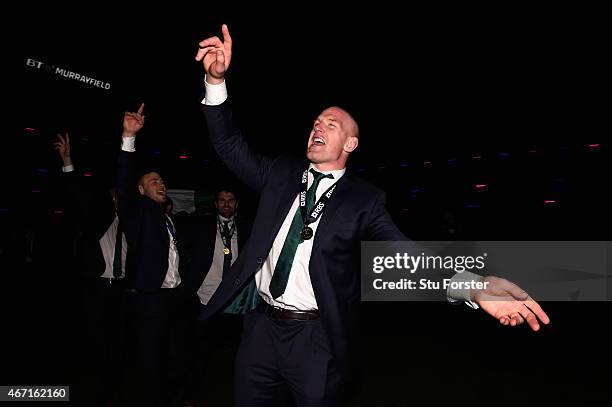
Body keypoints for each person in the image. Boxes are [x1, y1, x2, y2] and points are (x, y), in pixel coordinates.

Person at [195, 24, 550, 406]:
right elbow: (228, 143)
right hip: (259, 329)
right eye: (316, 122)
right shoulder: (280, 173)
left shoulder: (364, 200)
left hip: (315, 338)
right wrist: (215, 81)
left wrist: (473, 287)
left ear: (350, 143)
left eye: (331, 124)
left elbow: (407, 255)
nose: (318, 126)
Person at [117, 103, 186, 406]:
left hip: (171, 295)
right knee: (149, 358)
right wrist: (128, 138)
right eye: (153, 182)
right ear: (141, 191)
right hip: (149, 296)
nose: (161, 184)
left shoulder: (167, 217)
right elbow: (124, 182)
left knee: (170, 353)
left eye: (162, 180)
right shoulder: (139, 210)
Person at [54, 132, 127, 407]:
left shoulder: (134, 221)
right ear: (111, 197)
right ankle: (98, 388)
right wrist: (68, 161)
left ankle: (116, 386)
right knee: (97, 338)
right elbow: (79, 193)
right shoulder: (100, 214)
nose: (121, 197)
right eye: (116, 194)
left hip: (121, 288)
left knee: (117, 341)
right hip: (97, 286)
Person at [184, 186, 252, 405]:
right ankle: (195, 394)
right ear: (215, 204)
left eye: (230, 200)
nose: (226, 204)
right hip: (205, 297)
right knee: (201, 351)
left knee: (234, 352)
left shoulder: (246, 228)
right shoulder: (201, 226)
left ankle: (233, 393)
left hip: (234, 301)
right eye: (222, 200)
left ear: (236, 203)